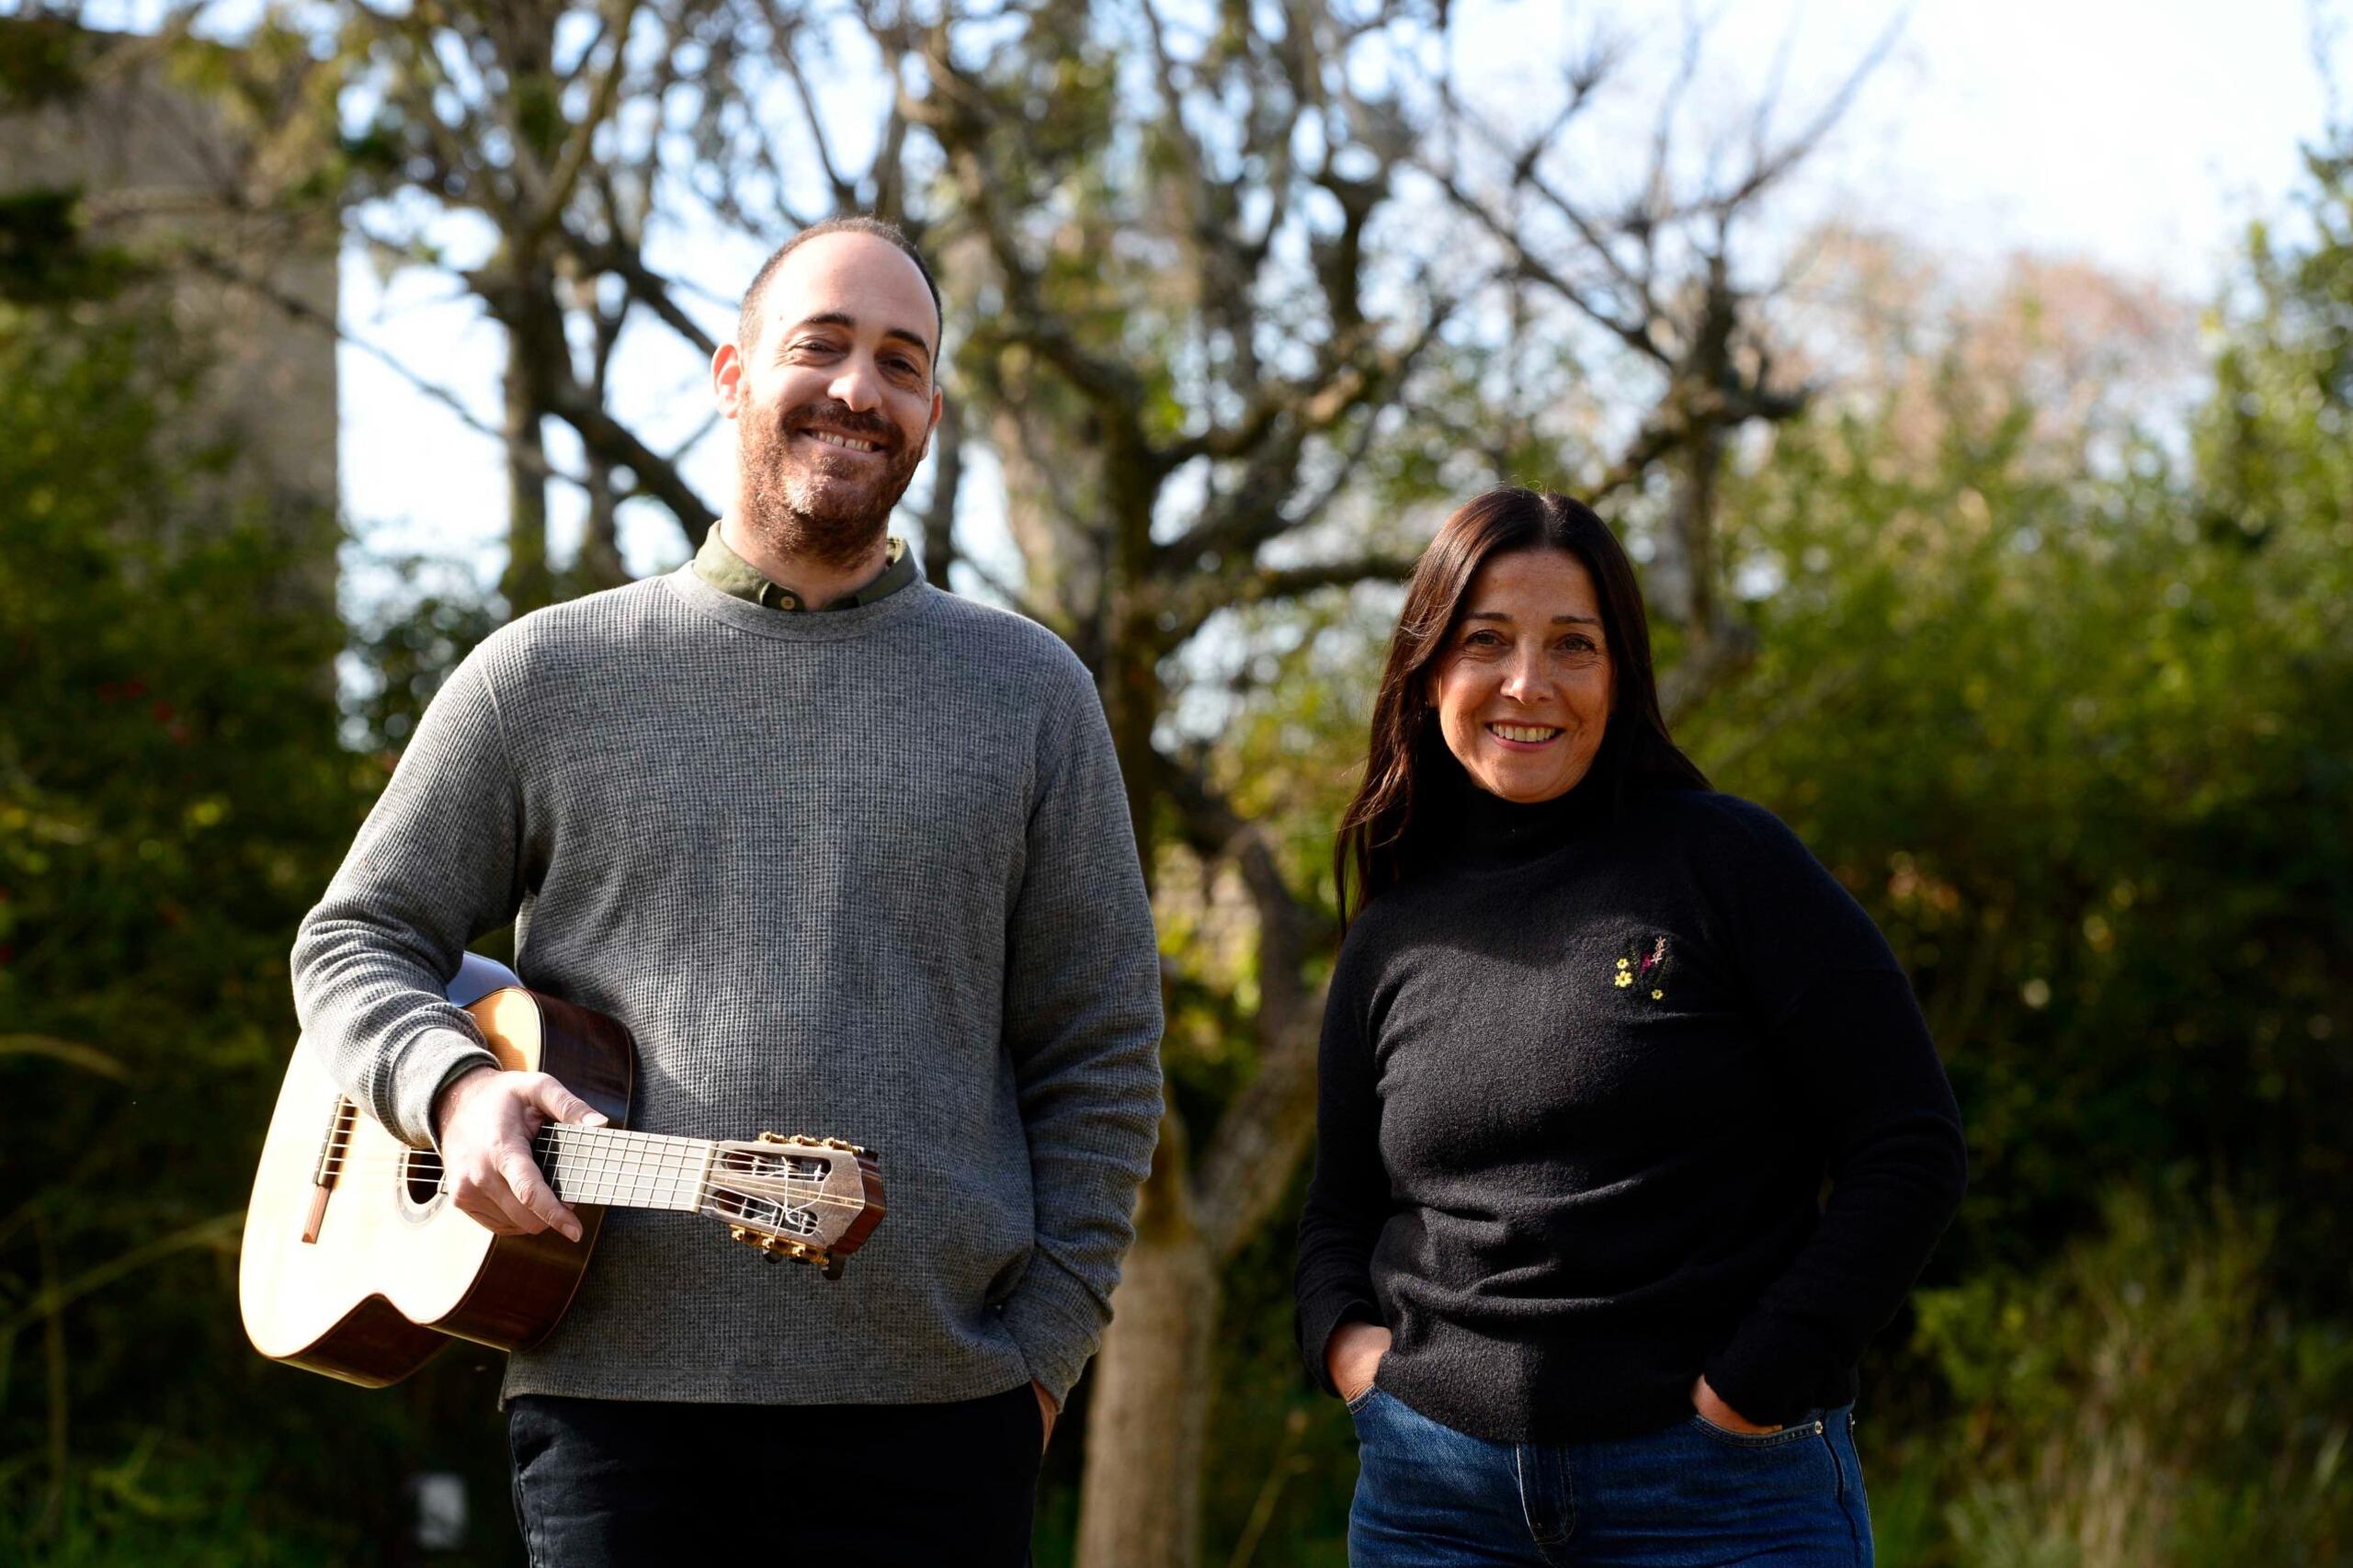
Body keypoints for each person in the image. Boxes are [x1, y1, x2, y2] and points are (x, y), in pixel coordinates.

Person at [292, 214, 1164, 1565]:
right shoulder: (545, 674)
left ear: (932, 408)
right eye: (821, 345)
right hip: (611, 1421)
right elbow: (355, 938)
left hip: (938, 1422)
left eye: (903, 361)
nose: (860, 389)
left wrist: (1042, 1358)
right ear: (733, 370)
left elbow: (1101, 1051)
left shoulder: (1032, 695)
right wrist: (450, 1086)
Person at [1294, 487, 1967, 1567]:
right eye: (1485, 641)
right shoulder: (1392, 929)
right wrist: (1351, 1350)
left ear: (1620, 675)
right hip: (1435, 1504)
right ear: (1427, 675)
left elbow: (1910, 1145)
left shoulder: (1727, 865)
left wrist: (1752, 1382)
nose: (1528, 683)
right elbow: (1339, 1209)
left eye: (1573, 644)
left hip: (1716, 1499)